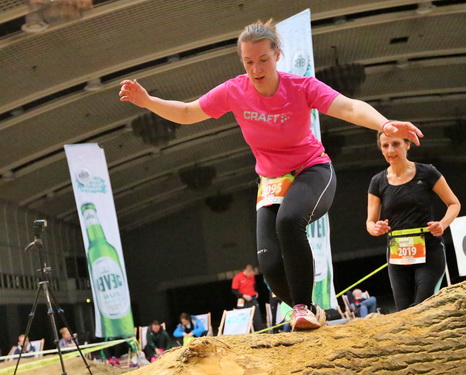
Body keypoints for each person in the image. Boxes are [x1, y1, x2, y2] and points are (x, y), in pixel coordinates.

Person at [119, 19, 422, 331]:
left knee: (288, 222)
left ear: (277, 55)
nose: (256, 69)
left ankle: (301, 308)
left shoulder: (301, 87)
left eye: (263, 60)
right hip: (272, 182)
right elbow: (187, 112)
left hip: (312, 170)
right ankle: (312, 311)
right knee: (269, 263)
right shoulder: (234, 90)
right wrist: (147, 101)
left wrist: (384, 124)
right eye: (248, 62)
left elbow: (348, 107)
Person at [367, 131, 460, 311]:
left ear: (408, 144)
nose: (390, 150)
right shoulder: (377, 182)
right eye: (385, 146)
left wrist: (442, 224)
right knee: (404, 312)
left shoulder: (428, 172)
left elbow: (454, 204)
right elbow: (370, 222)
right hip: (397, 254)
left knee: (422, 307)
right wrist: (375, 228)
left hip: (429, 250)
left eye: (396, 144)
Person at [232, 264, 264, 331]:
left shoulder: (252, 277)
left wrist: (256, 292)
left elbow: (254, 285)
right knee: (243, 316)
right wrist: (244, 296)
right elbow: (234, 291)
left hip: (252, 298)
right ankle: (245, 331)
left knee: (257, 316)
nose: (252, 275)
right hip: (242, 299)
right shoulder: (237, 277)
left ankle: (260, 331)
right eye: (251, 274)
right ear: (248, 271)